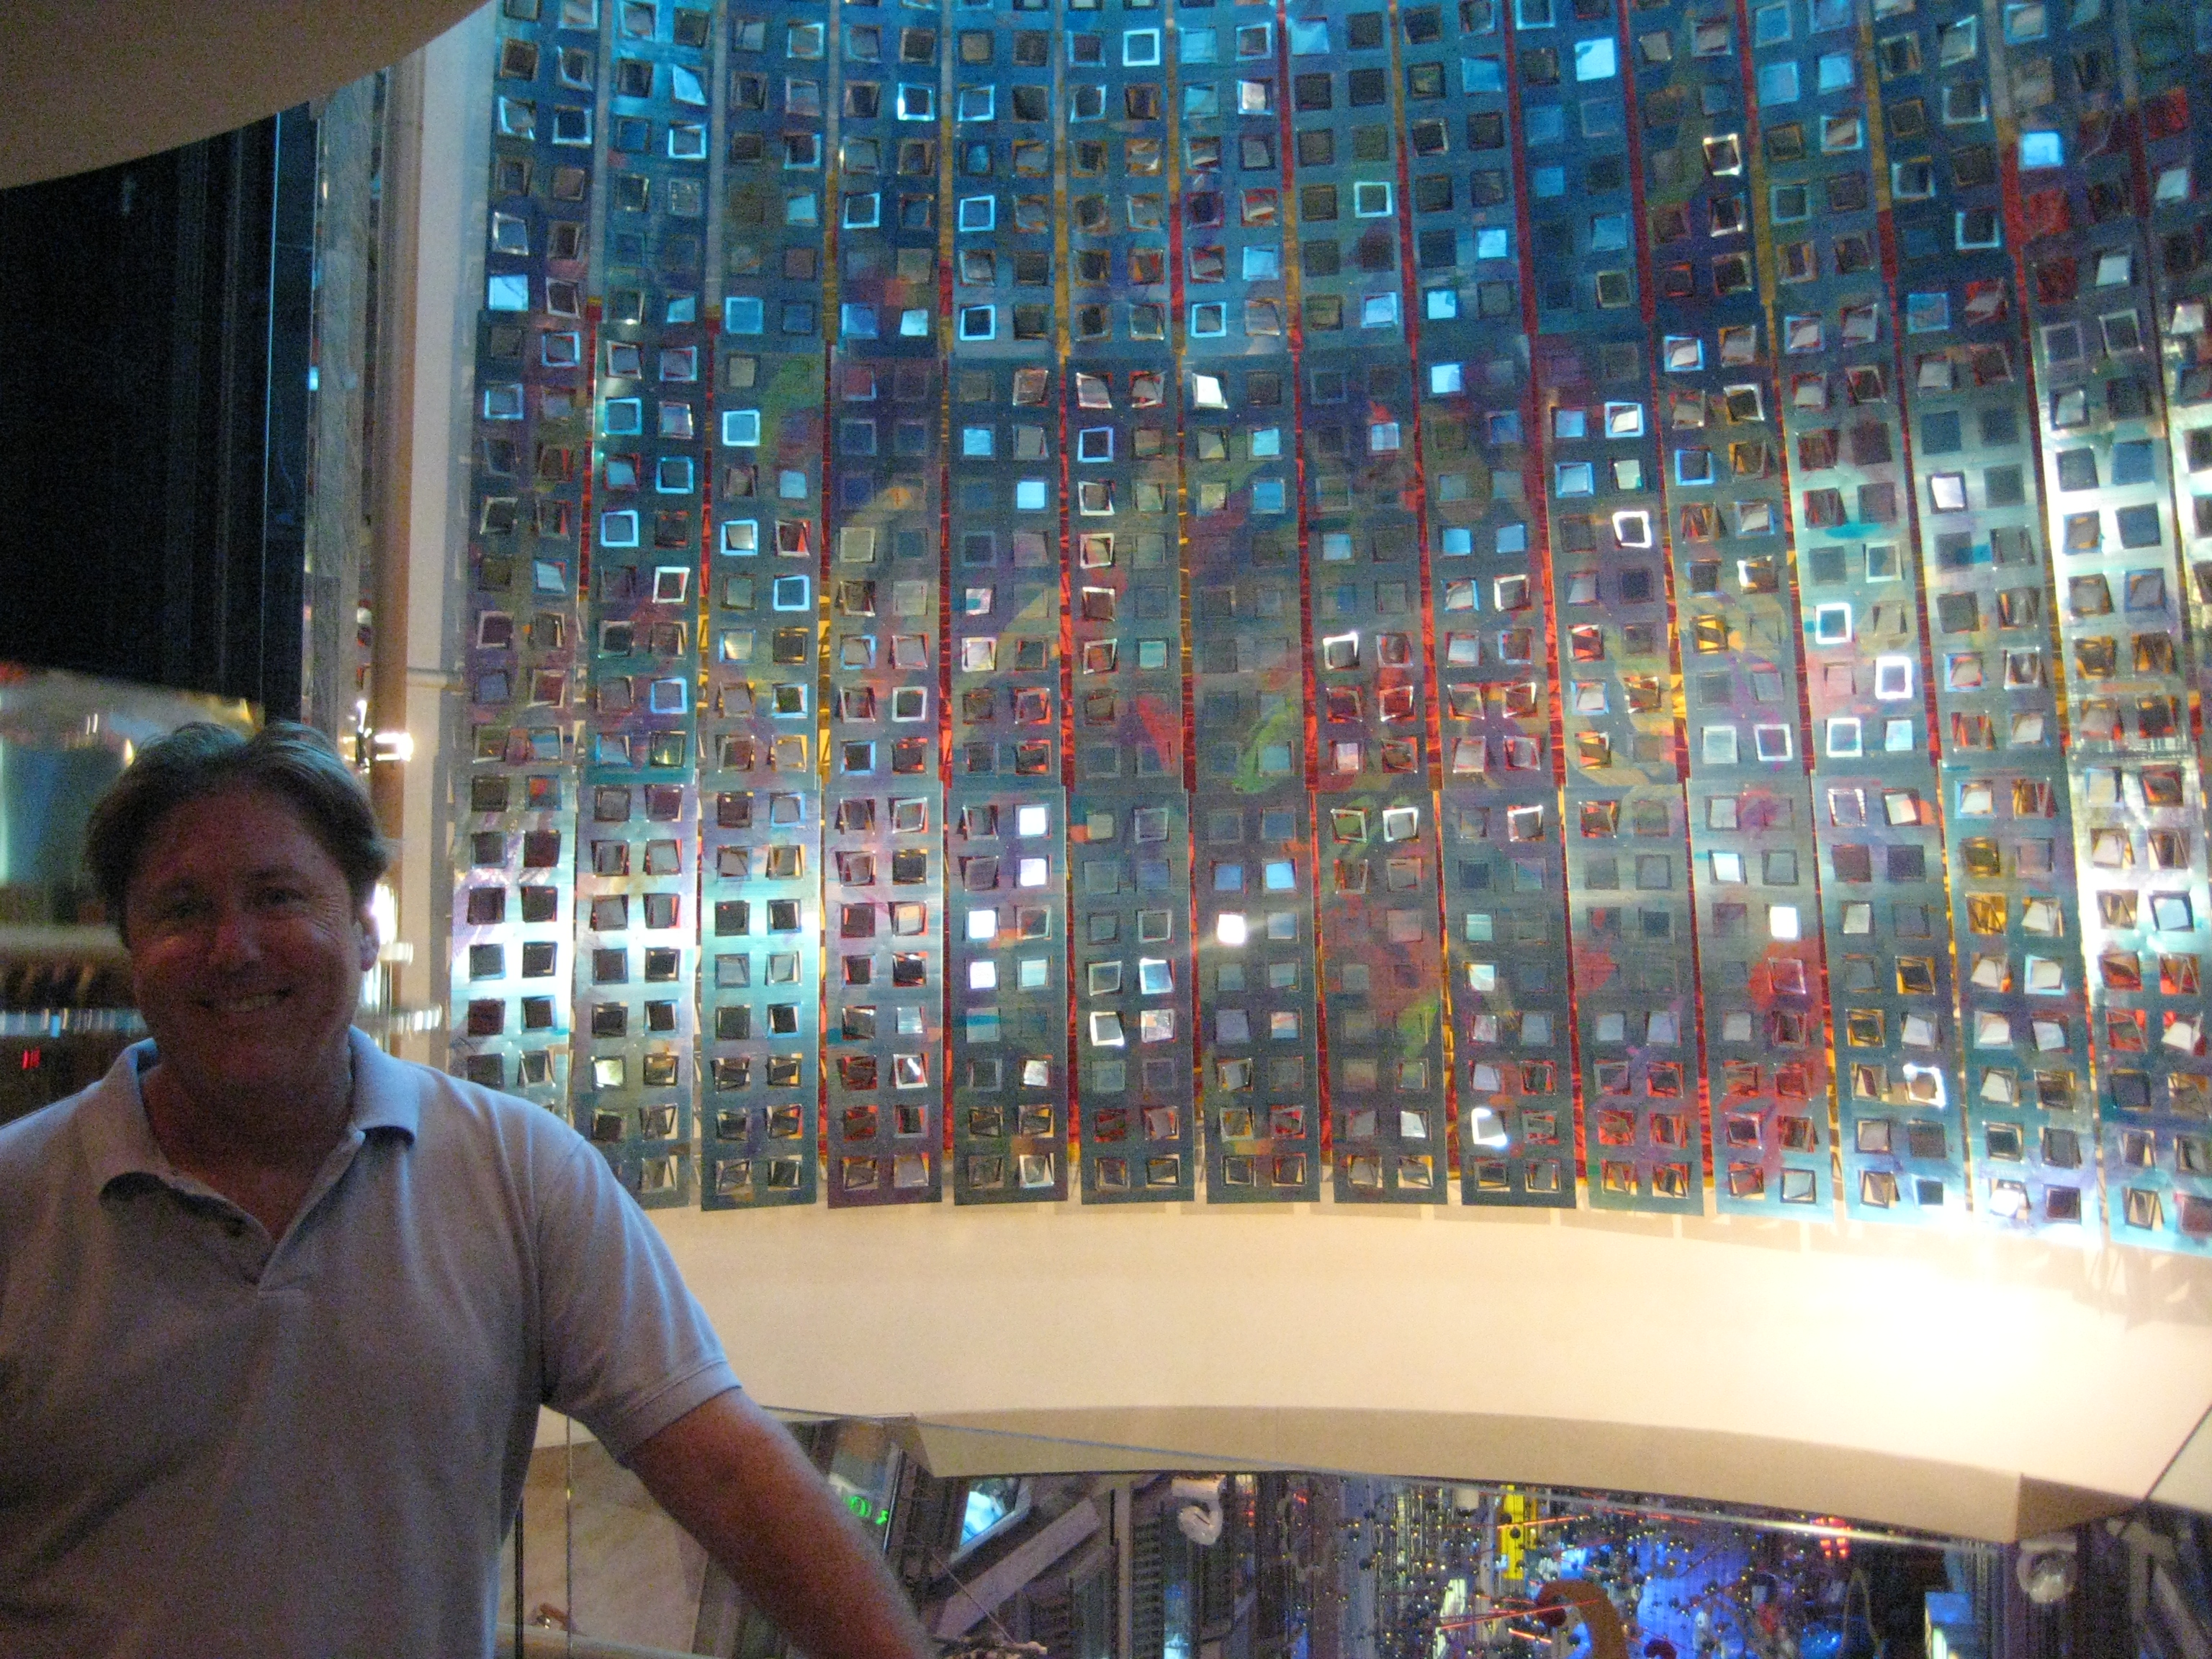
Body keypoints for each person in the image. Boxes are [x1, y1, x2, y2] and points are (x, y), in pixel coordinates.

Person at [0, 722, 936, 1659]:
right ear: (129, 944)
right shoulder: (20, 1200)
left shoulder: (518, 1175)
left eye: (278, 897)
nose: (233, 948)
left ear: (366, 927)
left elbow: (727, 1474)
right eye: (182, 910)